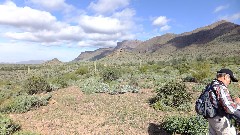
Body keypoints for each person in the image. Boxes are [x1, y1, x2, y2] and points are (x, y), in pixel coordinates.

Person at [207, 68, 240, 135]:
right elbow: (230, 109)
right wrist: (237, 102)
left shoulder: (211, 85)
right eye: (230, 80)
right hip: (220, 119)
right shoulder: (221, 87)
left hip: (212, 118)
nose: (229, 82)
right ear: (226, 77)